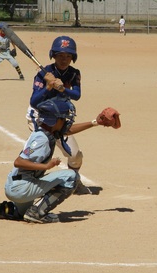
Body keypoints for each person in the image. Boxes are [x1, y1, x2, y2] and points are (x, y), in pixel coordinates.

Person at [0, 99, 119, 223]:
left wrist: (95, 122)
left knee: (19, 213)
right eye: (63, 118)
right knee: (71, 177)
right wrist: (46, 165)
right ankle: (37, 212)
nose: (66, 120)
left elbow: (68, 130)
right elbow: (18, 162)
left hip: (17, 185)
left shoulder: (45, 131)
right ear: (54, 120)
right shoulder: (42, 139)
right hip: (22, 187)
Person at [26, 35, 89, 194]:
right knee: (43, 153)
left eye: (68, 56)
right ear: (53, 55)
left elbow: (76, 95)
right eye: (60, 55)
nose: (64, 59)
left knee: (75, 155)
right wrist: (48, 86)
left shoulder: (74, 73)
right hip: (40, 118)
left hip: (60, 118)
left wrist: (62, 89)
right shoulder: (43, 74)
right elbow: (34, 101)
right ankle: (30, 184)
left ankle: (73, 180)